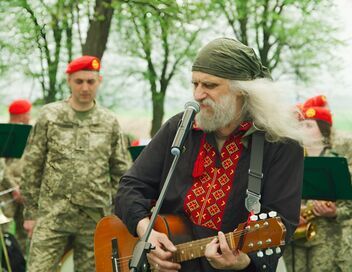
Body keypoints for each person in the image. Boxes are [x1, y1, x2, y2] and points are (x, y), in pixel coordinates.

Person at [115, 38, 305, 272]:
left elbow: (280, 224)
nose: (197, 94)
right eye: (194, 84)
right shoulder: (180, 128)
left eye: (210, 85)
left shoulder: (280, 144)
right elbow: (130, 186)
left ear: (242, 90)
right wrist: (147, 233)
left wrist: (243, 262)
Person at [20, 56, 132, 271]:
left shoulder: (108, 121)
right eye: (79, 81)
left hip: (94, 218)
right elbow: (32, 166)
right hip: (52, 215)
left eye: (90, 82)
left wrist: (115, 213)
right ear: (69, 81)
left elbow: (122, 172)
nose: (85, 87)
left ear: (99, 81)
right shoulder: (50, 116)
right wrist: (31, 214)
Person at [284, 97, 352, 272]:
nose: (303, 129)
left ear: (324, 131)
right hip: (294, 237)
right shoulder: (288, 161)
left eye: (309, 125)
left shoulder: (337, 162)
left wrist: (335, 212)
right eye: (300, 125)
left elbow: (348, 206)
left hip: (327, 241)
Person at [1, 99, 32, 253]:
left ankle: (19, 263)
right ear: (21, 115)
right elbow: (2, 167)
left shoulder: (29, 133)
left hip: (24, 188)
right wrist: (13, 187)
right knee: (3, 229)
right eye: (28, 113)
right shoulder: (5, 133)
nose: (29, 117)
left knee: (24, 231)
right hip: (6, 192)